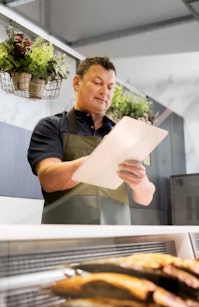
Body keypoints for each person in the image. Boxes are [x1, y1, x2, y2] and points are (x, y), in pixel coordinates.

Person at [27, 56, 155, 224]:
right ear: (76, 83)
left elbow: (145, 198)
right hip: (66, 238)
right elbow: (48, 179)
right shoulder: (52, 126)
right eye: (97, 83)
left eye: (110, 87)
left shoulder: (122, 133)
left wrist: (139, 183)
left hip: (115, 239)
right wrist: (98, 159)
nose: (105, 92)